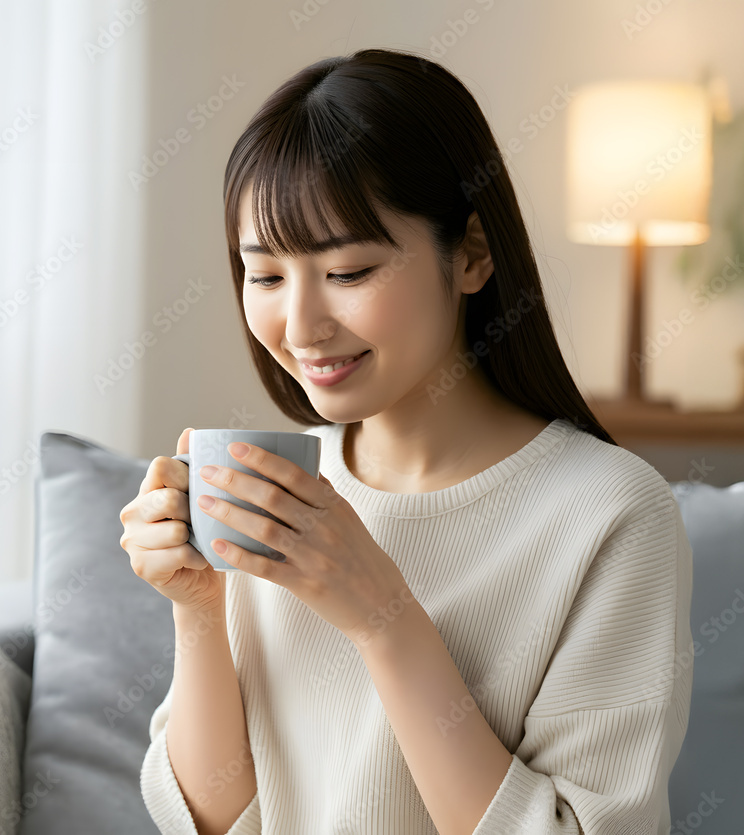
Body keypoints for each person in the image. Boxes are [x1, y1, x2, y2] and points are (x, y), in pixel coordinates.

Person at [119, 47, 693, 835]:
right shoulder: (279, 485)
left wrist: (383, 614)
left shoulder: (611, 515)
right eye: (266, 275)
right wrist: (198, 610)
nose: (300, 325)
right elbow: (217, 821)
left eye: (349, 271)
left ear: (472, 255)